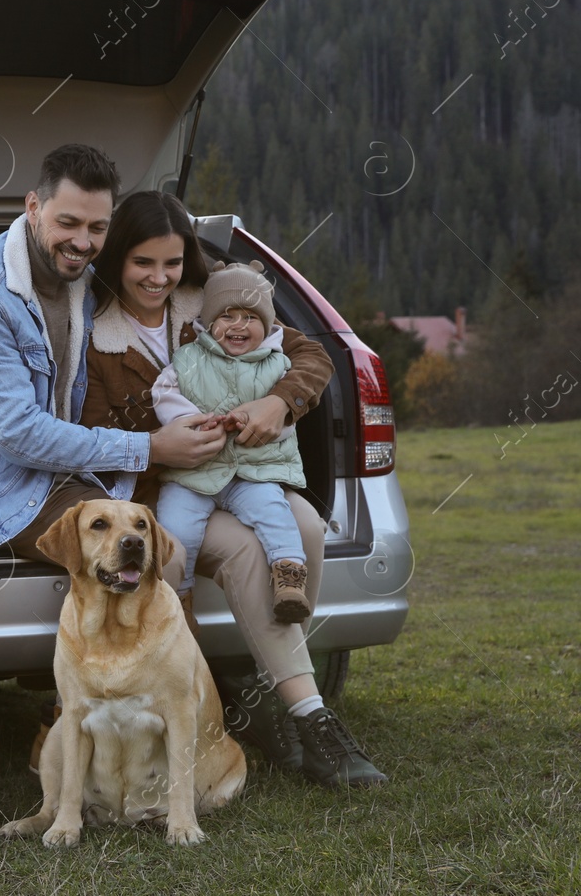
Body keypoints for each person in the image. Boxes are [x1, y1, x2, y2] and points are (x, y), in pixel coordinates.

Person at [0, 145, 232, 839]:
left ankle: (110, 719)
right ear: (32, 207)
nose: (83, 241)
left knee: (141, 555)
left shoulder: (89, 276)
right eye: (68, 223)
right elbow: (18, 433)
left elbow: (174, 281)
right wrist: (148, 448)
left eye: (97, 227)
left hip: (46, 478)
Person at [80, 190, 387, 790]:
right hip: (166, 486)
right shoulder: (94, 334)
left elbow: (311, 355)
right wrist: (161, 442)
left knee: (305, 528)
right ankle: (305, 712)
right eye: (143, 263)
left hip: (250, 471)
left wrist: (279, 401)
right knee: (249, 550)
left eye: (171, 263)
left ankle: (275, 694)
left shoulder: (216, 299)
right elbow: (93, 431)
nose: (159, 277)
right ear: (117, 259)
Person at [152, 260, 312, 625]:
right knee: (176, 526)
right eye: (227, 316)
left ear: (268, 326)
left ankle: (288, 575)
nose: (239, 325)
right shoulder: (188, 358)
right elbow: (163, 394)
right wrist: (188, 421)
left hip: (251, 470)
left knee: (274, 511)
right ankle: (180, 597)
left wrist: (262, 421)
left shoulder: (277, 365)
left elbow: (287, 420)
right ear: (208, 323)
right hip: (193, 473)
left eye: (251, 318)